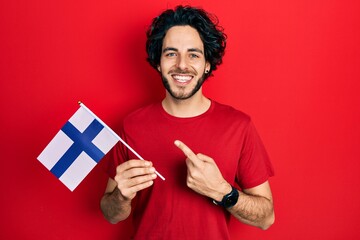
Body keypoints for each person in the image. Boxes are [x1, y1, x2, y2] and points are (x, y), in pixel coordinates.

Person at [100, 5, 275, 239]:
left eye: (193, 54)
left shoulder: (238, 126)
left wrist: (223, 192)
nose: (182, 65)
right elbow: (111, 214)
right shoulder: (131, 125)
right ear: (159, 62)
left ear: (207, 64)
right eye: (171, 53)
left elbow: (266, 218)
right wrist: (120, 198)